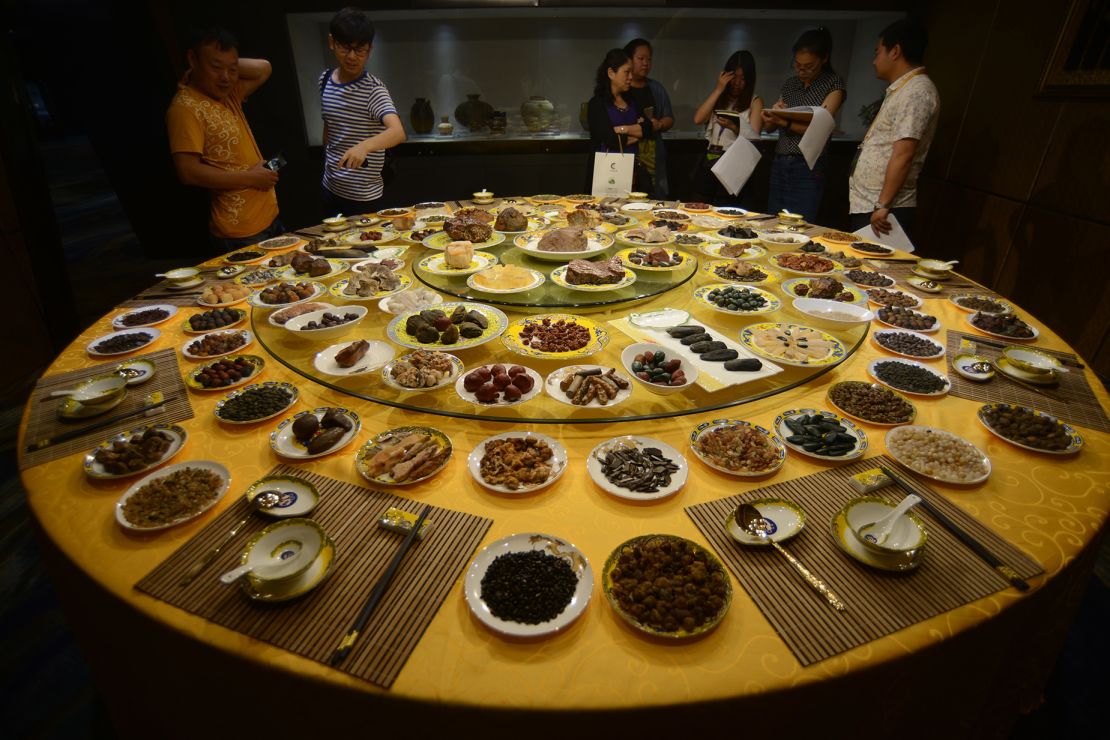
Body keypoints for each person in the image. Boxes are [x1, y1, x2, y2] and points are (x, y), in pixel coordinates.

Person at [166, 28, 281, 255]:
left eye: (233, 69)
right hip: (238, 230)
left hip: (268, 216)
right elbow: (187, 172)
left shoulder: (229, 95)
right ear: (192, 59)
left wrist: (229, 65)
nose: (226, 77)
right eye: (216, 67)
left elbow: (264, 68)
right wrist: (250, 177)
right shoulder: (185, 107)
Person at [848, 19, 938, 241]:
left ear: (895, 51)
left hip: (884, 210)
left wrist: (883, 204)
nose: (874, 61)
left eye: (878, 52)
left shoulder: (917, 91)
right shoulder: (903, 88)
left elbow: (904, 153)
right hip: (870, 203)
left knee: (878, 272)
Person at [320, 7, 406, 217]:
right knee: (330, 248)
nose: (352, 57)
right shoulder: (324, 79)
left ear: (370, 50)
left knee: (365, 248)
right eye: (345, 48)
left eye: (360, 50)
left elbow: (397, 132)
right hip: (330, 185)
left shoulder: (373, 90)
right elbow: (330, 125)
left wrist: (364, 147)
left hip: (363, 194)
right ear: (332, 42)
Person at [761, 28, 846, 222]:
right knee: (773, 220)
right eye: (797, 65)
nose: (802, 70)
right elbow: (770, 128)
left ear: (824, 58)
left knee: (802, 224)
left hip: (808, 165)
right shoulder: (790, 84)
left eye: (809, 66)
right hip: (781, 160)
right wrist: (773, 115)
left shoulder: (833, 84)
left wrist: (783, 120)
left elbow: (820, 129)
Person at [690, 50, 763, 205]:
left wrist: (734, 127)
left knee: (726, 209)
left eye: (743, 79)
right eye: (734, 77)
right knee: (699, 204)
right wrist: (718, 89)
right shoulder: (719, 96)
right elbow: (698, 119)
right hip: (711, 157)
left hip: (734, 162)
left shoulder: (754, 101)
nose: (737, 83)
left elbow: (755, 138)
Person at [587, 49, 654, 194]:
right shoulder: (597, 104)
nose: (631, 77)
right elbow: (610, 140)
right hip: (605, 173)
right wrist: (636, 132)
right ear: (611, 73)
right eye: (626, 72)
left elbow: (648, 129)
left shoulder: (633, 100)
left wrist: (623, 129)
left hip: (633, 173)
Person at [622, 39, 675, 198]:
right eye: (641, 59)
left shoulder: (656, 88)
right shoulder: (623, 87)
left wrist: (658, 124)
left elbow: (669, 118)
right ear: (629, 60)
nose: (646, 63)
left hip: (652, 152)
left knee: (654, 195)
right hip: (628, 149)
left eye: (649, 59)